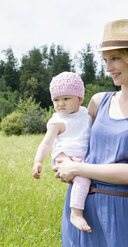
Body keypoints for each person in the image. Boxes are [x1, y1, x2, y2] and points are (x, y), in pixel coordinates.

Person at [53, 19, 128, 247]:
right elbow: (74, 144)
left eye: (115, 58)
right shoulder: (98, 101)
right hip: (78, 207)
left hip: (118, 211)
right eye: (106, 60)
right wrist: (63, 163)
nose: (108, 68)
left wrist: (77, 168)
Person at [32, 71, 93, 232]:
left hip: (82, 156)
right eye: (56, 100)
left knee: (89, 175)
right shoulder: (57, 121)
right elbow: (46, 143)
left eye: (66, 98)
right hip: (64, 156)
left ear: (80, 99)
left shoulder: (85, 114)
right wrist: (38, 162)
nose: (60, 104)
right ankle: (76, 213)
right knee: (83, 179)